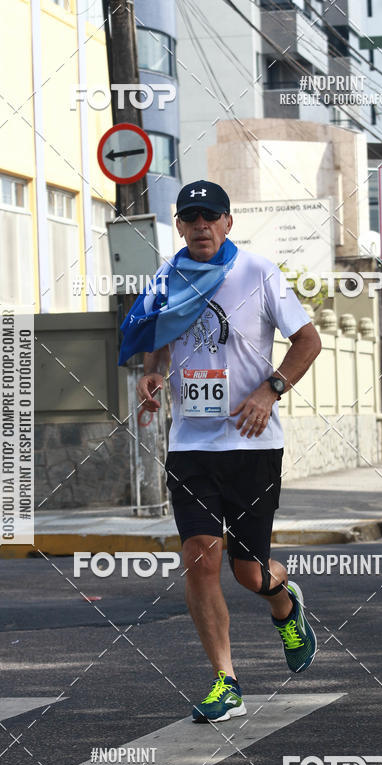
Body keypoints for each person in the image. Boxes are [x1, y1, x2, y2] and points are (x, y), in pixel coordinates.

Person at [125, 179, 322, 723]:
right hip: (191, 445)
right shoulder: (168, 276)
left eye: (211, 216)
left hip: (253, 445)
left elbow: (309, 339)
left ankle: (286, 604)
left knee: (249, 573)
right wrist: (153, 374)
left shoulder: (257, 272)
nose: (201, 225)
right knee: (199, 562)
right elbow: (159, 336)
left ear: (228, 223)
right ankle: (225, 682)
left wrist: (271, 388)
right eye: (191, 217)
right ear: (180, 225)